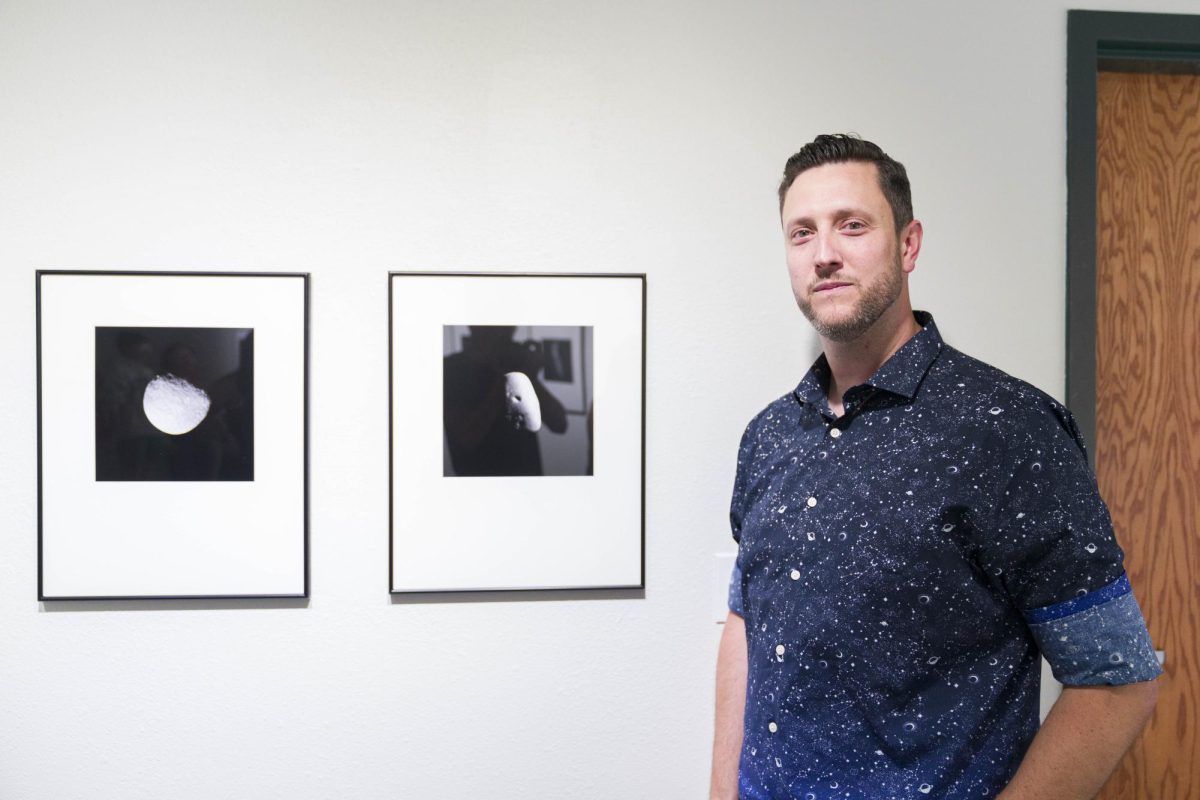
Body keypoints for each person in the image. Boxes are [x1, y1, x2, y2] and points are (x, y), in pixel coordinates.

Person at [710, 134, 1160, 799]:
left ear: (909, 243)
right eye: (801, 234)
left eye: (852, 225)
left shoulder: (1007, 429)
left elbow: (1118, 678)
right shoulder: (771, 436)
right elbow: (747, 625)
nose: (825, 253)